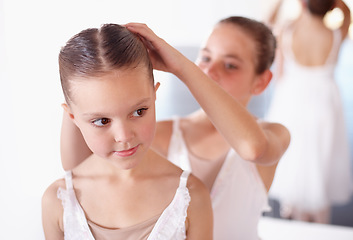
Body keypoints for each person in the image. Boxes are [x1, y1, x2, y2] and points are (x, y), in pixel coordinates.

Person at [61, 18, 290, 239]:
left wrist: (181, 67)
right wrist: (85, 79)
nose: (209, 71)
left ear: (261, 81)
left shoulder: (273, 134)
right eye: (206, 57)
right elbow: (78, 172)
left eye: (230, 65)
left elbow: (252, 149)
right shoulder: (159, 133)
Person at [41, 23, 213, 240]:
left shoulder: (192, 197)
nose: (124, 136)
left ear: (154, 95)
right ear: (72, 117)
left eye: (139, 111)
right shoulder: (57, 201)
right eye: (102, 120)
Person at [265, 0, 353, 223]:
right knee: (321, 150)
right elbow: (347, 12)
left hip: (292, 97)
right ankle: (318, 214)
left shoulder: (287, 30)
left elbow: (268, 21)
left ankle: (294, 205)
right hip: (324, 100)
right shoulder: (336, 34)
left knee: (294, 151)